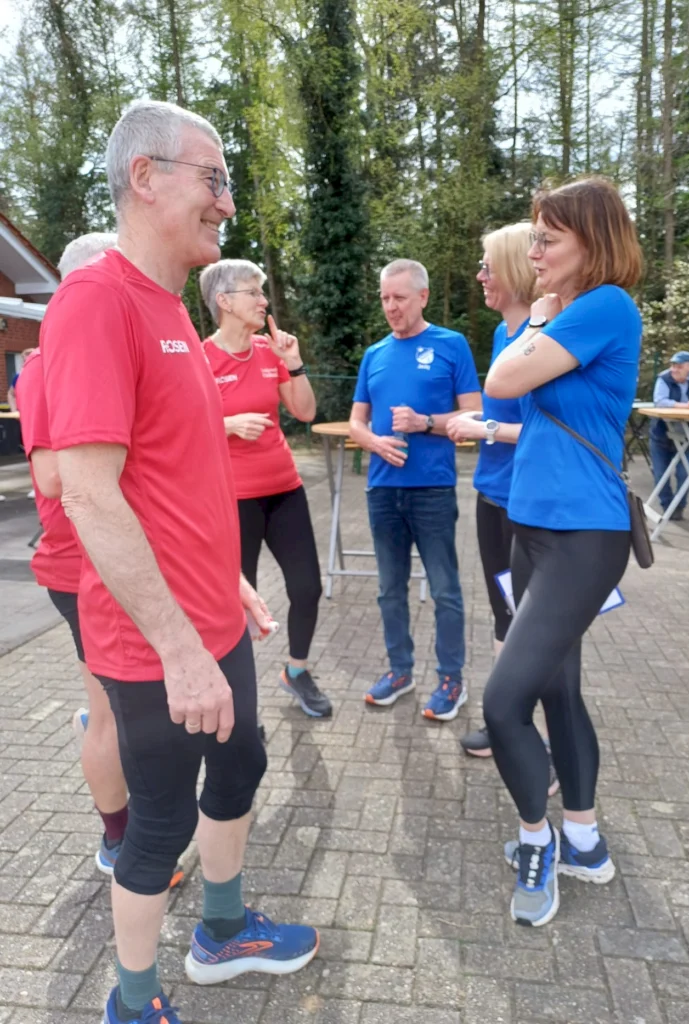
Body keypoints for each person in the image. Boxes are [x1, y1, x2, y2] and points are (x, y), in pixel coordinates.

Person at [41, 100, 318, 1024]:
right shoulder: (96, 302)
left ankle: (224, 931)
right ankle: (131, 999)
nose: (227, 203)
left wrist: (232, 585)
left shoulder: (169, 311)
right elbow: (88, 495)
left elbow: (178, 482)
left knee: (242, 766)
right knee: (159, 824)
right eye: (213, 179)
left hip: (212, 617)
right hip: (157, 642)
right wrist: (181, 648)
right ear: (145, 176)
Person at [482, 177, 642, 927]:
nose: (534, 251)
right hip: (534, 527)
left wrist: (539, 314)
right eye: (534, 237)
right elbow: (519, 412)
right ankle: (583, 837)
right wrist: (543, 313)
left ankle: (536, 839)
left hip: (584, 537)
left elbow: (502, 381)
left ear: (592, 243)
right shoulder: (569, 314)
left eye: (548, 238)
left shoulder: (605, 306)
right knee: (556, 690)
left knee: (503, 700)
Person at [15, 232, 156, 882]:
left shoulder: (88, 353)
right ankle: (117, 841)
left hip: (105, 563)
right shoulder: (51, 365)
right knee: (105, 716)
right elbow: (48, 477)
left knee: (113, 711)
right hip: (78, 566)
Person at [445, 224, 556, 795]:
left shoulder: (548, 334)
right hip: (493, 493)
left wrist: (484, 426)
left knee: (536, 626)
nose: (481, 275)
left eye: (488, 265)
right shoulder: (501, 332)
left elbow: (548, 428)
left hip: (532, 503)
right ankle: (504, 723)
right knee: (503, 616)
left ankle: (547, 747)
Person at [349, 258, 481, 720]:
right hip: (382, 489)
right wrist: (371, 441)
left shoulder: (451, 345)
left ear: (422, 297)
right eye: (385, 298)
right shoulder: (374, 354)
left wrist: (426, 423)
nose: (390, 307)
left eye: (399, 298)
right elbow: (356, 420)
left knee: (445, 589)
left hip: (432, 489)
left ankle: (452, 680)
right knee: (389, 589)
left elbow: (475, 415)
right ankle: (399, 671)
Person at [199, 259, 330, 718]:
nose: (262, 301)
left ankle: (296, 672)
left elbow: (306, 412)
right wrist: (227, 423)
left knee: (308, 588)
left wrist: (293, 363)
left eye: (262, 292)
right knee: (238, 603)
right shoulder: (200, 359)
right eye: (253, 292)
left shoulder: (269, 349)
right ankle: (239, 701)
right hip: (232, 500)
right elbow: (181, 430)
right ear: (224, 301)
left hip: (284, 490)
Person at [650, 350, 689, 521]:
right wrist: (684, 406)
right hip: (662, 434)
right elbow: (660, 402)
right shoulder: (664, 378)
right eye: (672, 365)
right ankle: (667, 506)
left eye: (679, 366)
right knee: (660, 473)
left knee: (684, 473)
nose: (674, 369)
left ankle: (679, 507)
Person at [7, 347, 36, 412]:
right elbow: (11, 394)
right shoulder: (19, 377)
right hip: (26, 415)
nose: (25, 364)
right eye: (24, 361)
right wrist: (14, 412)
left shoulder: (47, 375)